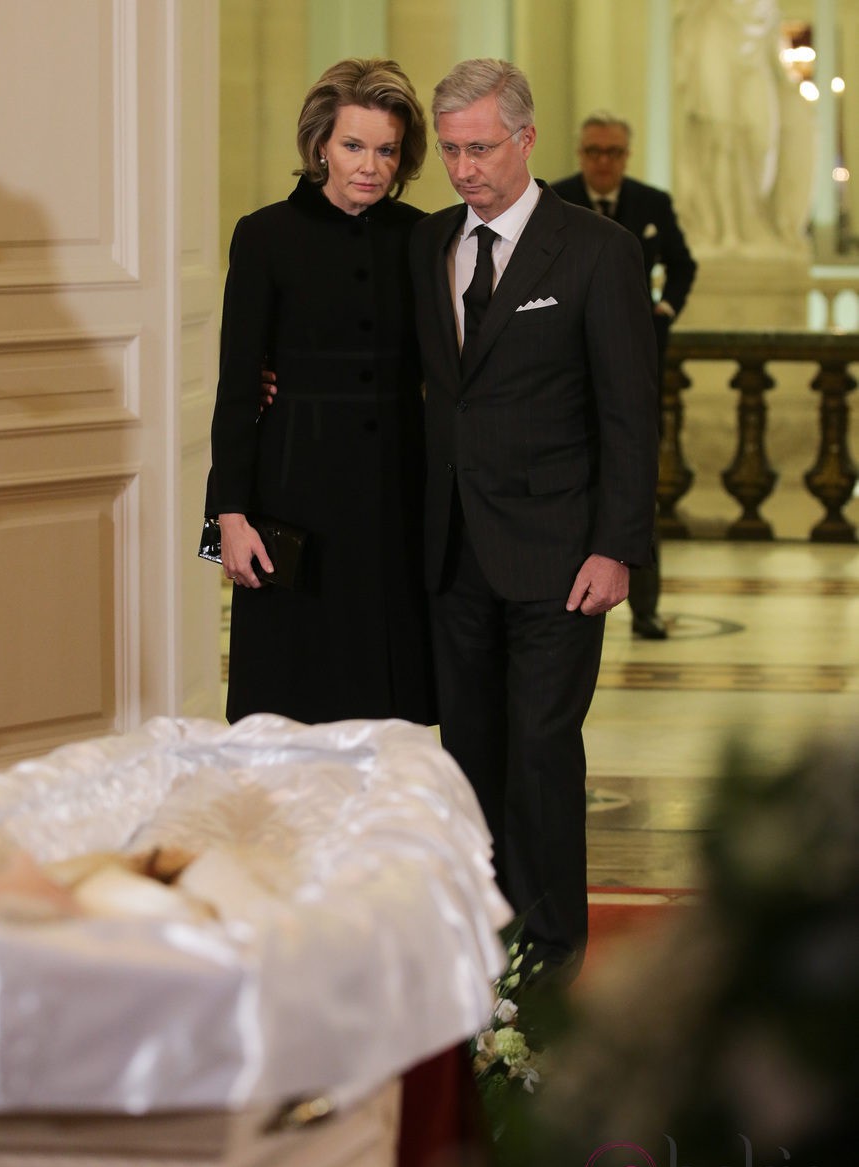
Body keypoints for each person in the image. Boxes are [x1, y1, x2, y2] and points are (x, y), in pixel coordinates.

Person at [409, 60, 659, 978]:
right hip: (450, 550)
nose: (464, 168)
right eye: (449, 150)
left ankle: (553, 958)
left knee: (542, 754)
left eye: (480, 147)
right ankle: (482, 939)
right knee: (468, 754)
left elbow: (631, 413)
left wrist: (617, 546)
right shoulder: (425, 243)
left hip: (561, 556)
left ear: (526, 139)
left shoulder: (596, 251)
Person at [205, 58, 436, 727]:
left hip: (396, 501)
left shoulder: (422, 237)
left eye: (386, 150)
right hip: (292, 498)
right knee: (287, 708)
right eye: (353, 146)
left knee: (389, 714)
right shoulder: (265, 235)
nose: (370, 165)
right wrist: (229, 518)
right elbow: (237, 386)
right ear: (321, 147)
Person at [552, 111, 697, 640]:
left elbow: (684, 264)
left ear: (626, 156)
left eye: (613, 152)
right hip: (567, 371)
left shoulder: (651, 202)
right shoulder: (556, 198)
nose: (603, 162)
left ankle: (647, 606)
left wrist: (665, 310)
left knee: (637, 478)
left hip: (636, 365)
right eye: (594, 151)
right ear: (580, 153)